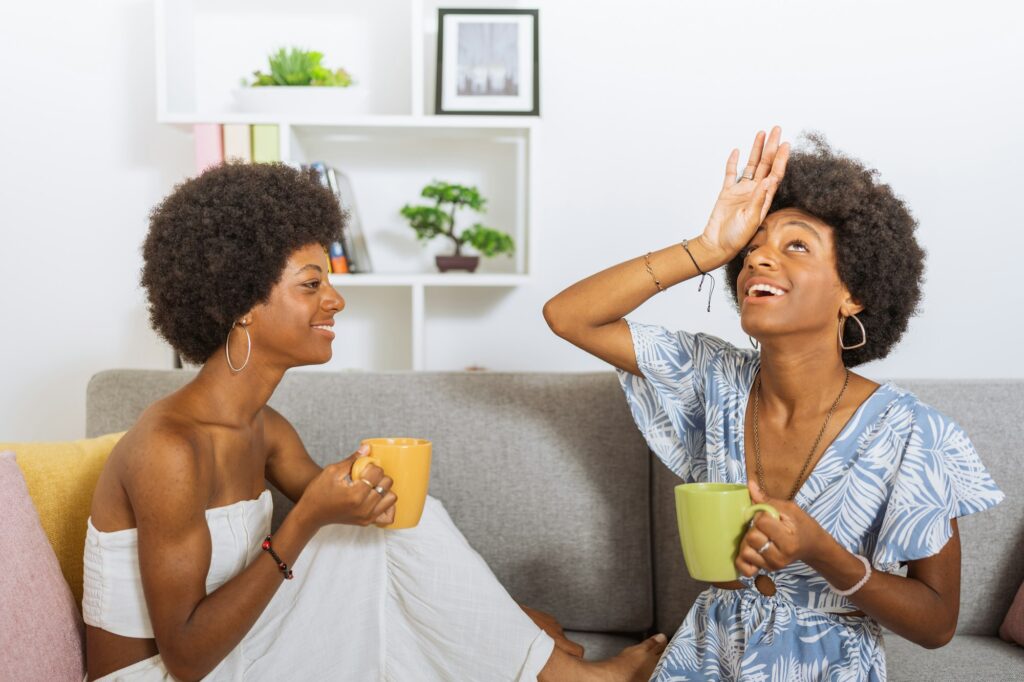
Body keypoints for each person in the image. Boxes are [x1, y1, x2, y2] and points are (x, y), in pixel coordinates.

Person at [83, 162, 667, 681]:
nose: (336, 301)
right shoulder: (169, 448)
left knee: (397, 521)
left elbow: (375, 533)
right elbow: (185, 658)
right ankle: (569, 678)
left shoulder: (267, 429)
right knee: (390, 543)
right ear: (241, 305)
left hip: (240, 651)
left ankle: (541, 665)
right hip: (165, 673)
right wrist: (305, 519)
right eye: (311, 285)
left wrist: (503, 617)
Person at [543, 127, 1004, 680]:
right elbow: (568, 316)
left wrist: (819, 550)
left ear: (853, 293)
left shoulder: (914, 433)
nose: (759, 258)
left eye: (796, 245)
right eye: (752, 247)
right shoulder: (713, 377)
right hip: (703, 656)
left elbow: (936, 624)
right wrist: (707, 248)